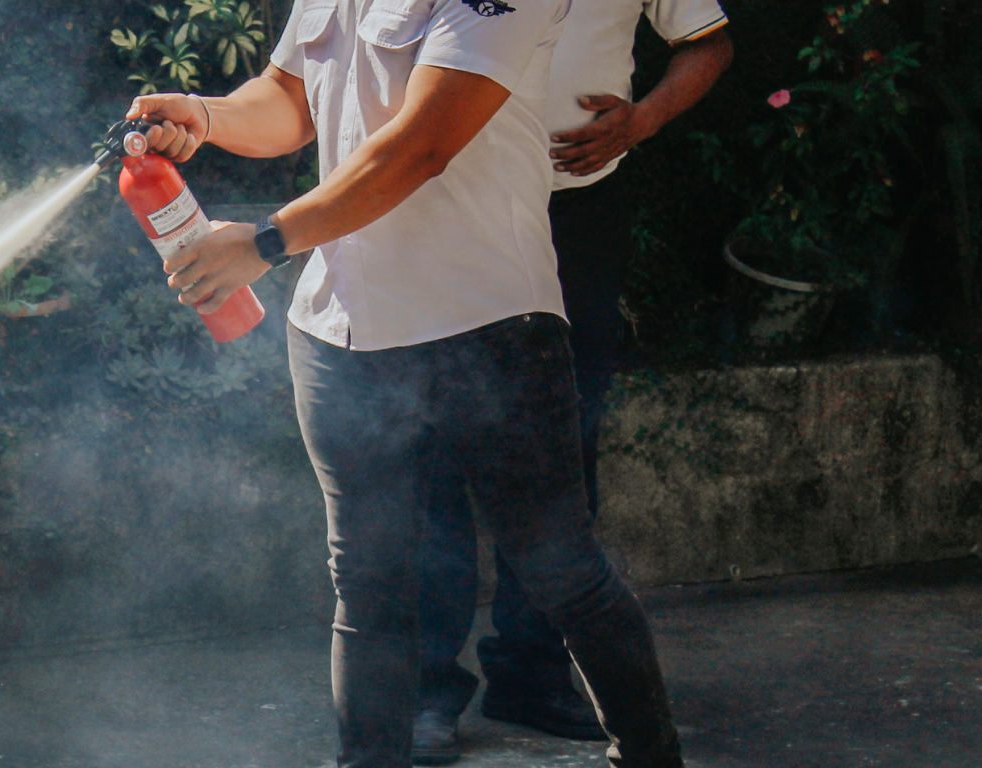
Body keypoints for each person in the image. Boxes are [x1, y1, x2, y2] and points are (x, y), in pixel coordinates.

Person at [126, 0, 687, 764]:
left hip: (489, 324)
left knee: (560, 569)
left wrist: (265, 241)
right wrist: (203, 114)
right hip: (341, 329)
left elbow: (422, 145)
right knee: (369, 589)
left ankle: (651, 758)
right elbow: (288, 101)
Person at [412, 1, 734, 762]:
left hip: (575, 211)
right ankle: (425, 689)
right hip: (445, 204)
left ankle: (531, 672)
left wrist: (643, 119)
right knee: (429, 447)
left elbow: (710, 45)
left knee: (564, 440)